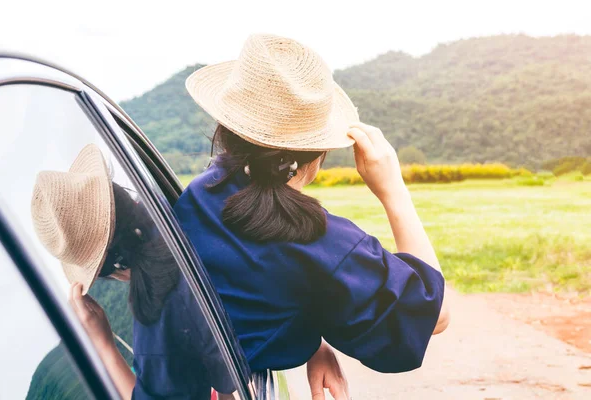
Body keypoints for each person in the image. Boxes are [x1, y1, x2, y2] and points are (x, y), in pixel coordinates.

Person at [173, 33, 450, 378]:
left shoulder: (200, 193)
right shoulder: (328, 245)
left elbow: (242, 291)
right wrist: (394, 190)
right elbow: (433, 315)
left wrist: (307, 338)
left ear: (226, 127)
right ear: (319, 153)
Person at [30, 144, 350, 400]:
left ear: (108, 271)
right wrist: (314, 343)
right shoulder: (197, 222)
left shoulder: (157, 314)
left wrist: (101, 342)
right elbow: (265, 283)